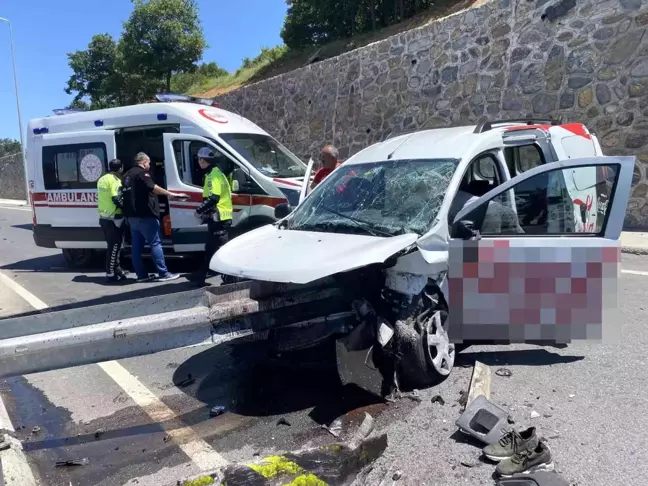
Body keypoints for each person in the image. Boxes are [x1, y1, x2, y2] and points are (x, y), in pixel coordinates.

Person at [121, 152, 187, 282]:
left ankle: (141, 275)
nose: (149, 166)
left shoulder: (127, 175)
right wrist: (171, 194)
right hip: (145, 216)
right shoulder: (142, 174)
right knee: (156, 244)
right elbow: (153, 187)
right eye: (149, 163)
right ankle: (163, 273)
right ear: (144, 162)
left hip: (132, 217)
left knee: (136, 247)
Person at [186, 147, 235, 286]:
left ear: (203, 160)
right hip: (218, 216)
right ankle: (201, 275)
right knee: (212, 248)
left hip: (219, 217)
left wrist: (199, 211)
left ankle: (229, 278)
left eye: (199, 160)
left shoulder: (213, 175)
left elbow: (214, 198)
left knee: (219, 249)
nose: (198, 162)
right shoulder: (214, 173)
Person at [97, 158, 128, 282]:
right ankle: (110, 272)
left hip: (104, 217)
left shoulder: (102, 178)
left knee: (113, 245)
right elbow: (116, 198)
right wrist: (125, 208)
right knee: (115, 246)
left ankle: (117, 269)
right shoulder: (115, 180)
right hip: (114, 216)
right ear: (121, 168)